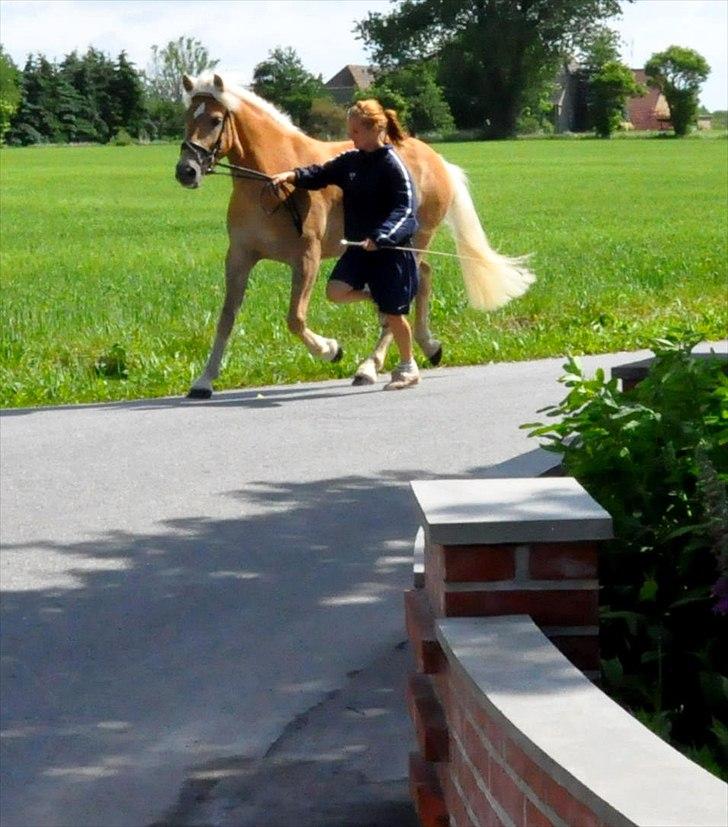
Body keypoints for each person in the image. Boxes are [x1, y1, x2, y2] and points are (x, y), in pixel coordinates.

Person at [270, 100, 420, 391]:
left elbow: (406, 210)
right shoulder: (351, 160)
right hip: (358, 248)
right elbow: (321, 174)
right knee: (335, 291)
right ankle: (375, 296)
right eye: (349, 131)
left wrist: (382, 237)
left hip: (389, 252)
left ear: (375, 130)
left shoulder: (393, 166)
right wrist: (293, 176)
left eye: (356, 131)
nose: (351, 137)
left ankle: (408, 365)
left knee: (394, 314)